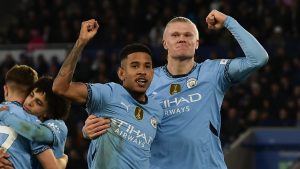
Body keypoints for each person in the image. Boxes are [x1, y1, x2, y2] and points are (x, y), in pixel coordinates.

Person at [83, 9, 269, 169]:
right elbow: (115, 111)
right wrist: (89, 129)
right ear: (165, 43)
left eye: (188, 35)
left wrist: (228, 21)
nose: (182, 39)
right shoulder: (146, 80)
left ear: (197, 43)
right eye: (175, 35)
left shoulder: (213, 72)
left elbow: (258, 58)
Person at [52, 19, 163, 169]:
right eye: (135, 66)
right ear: (121, 73)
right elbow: (61, 88)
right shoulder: (109, 93)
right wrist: (81, 42)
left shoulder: (157, 110)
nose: (142, 71)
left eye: (147, 66)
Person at [0, 65, 68, 169]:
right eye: (31, 95)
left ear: (47, 113)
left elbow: (35, 133)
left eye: (38, 102)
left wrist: (63, 160)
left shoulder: (56, 124)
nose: (30, 103)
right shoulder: (28, 119)